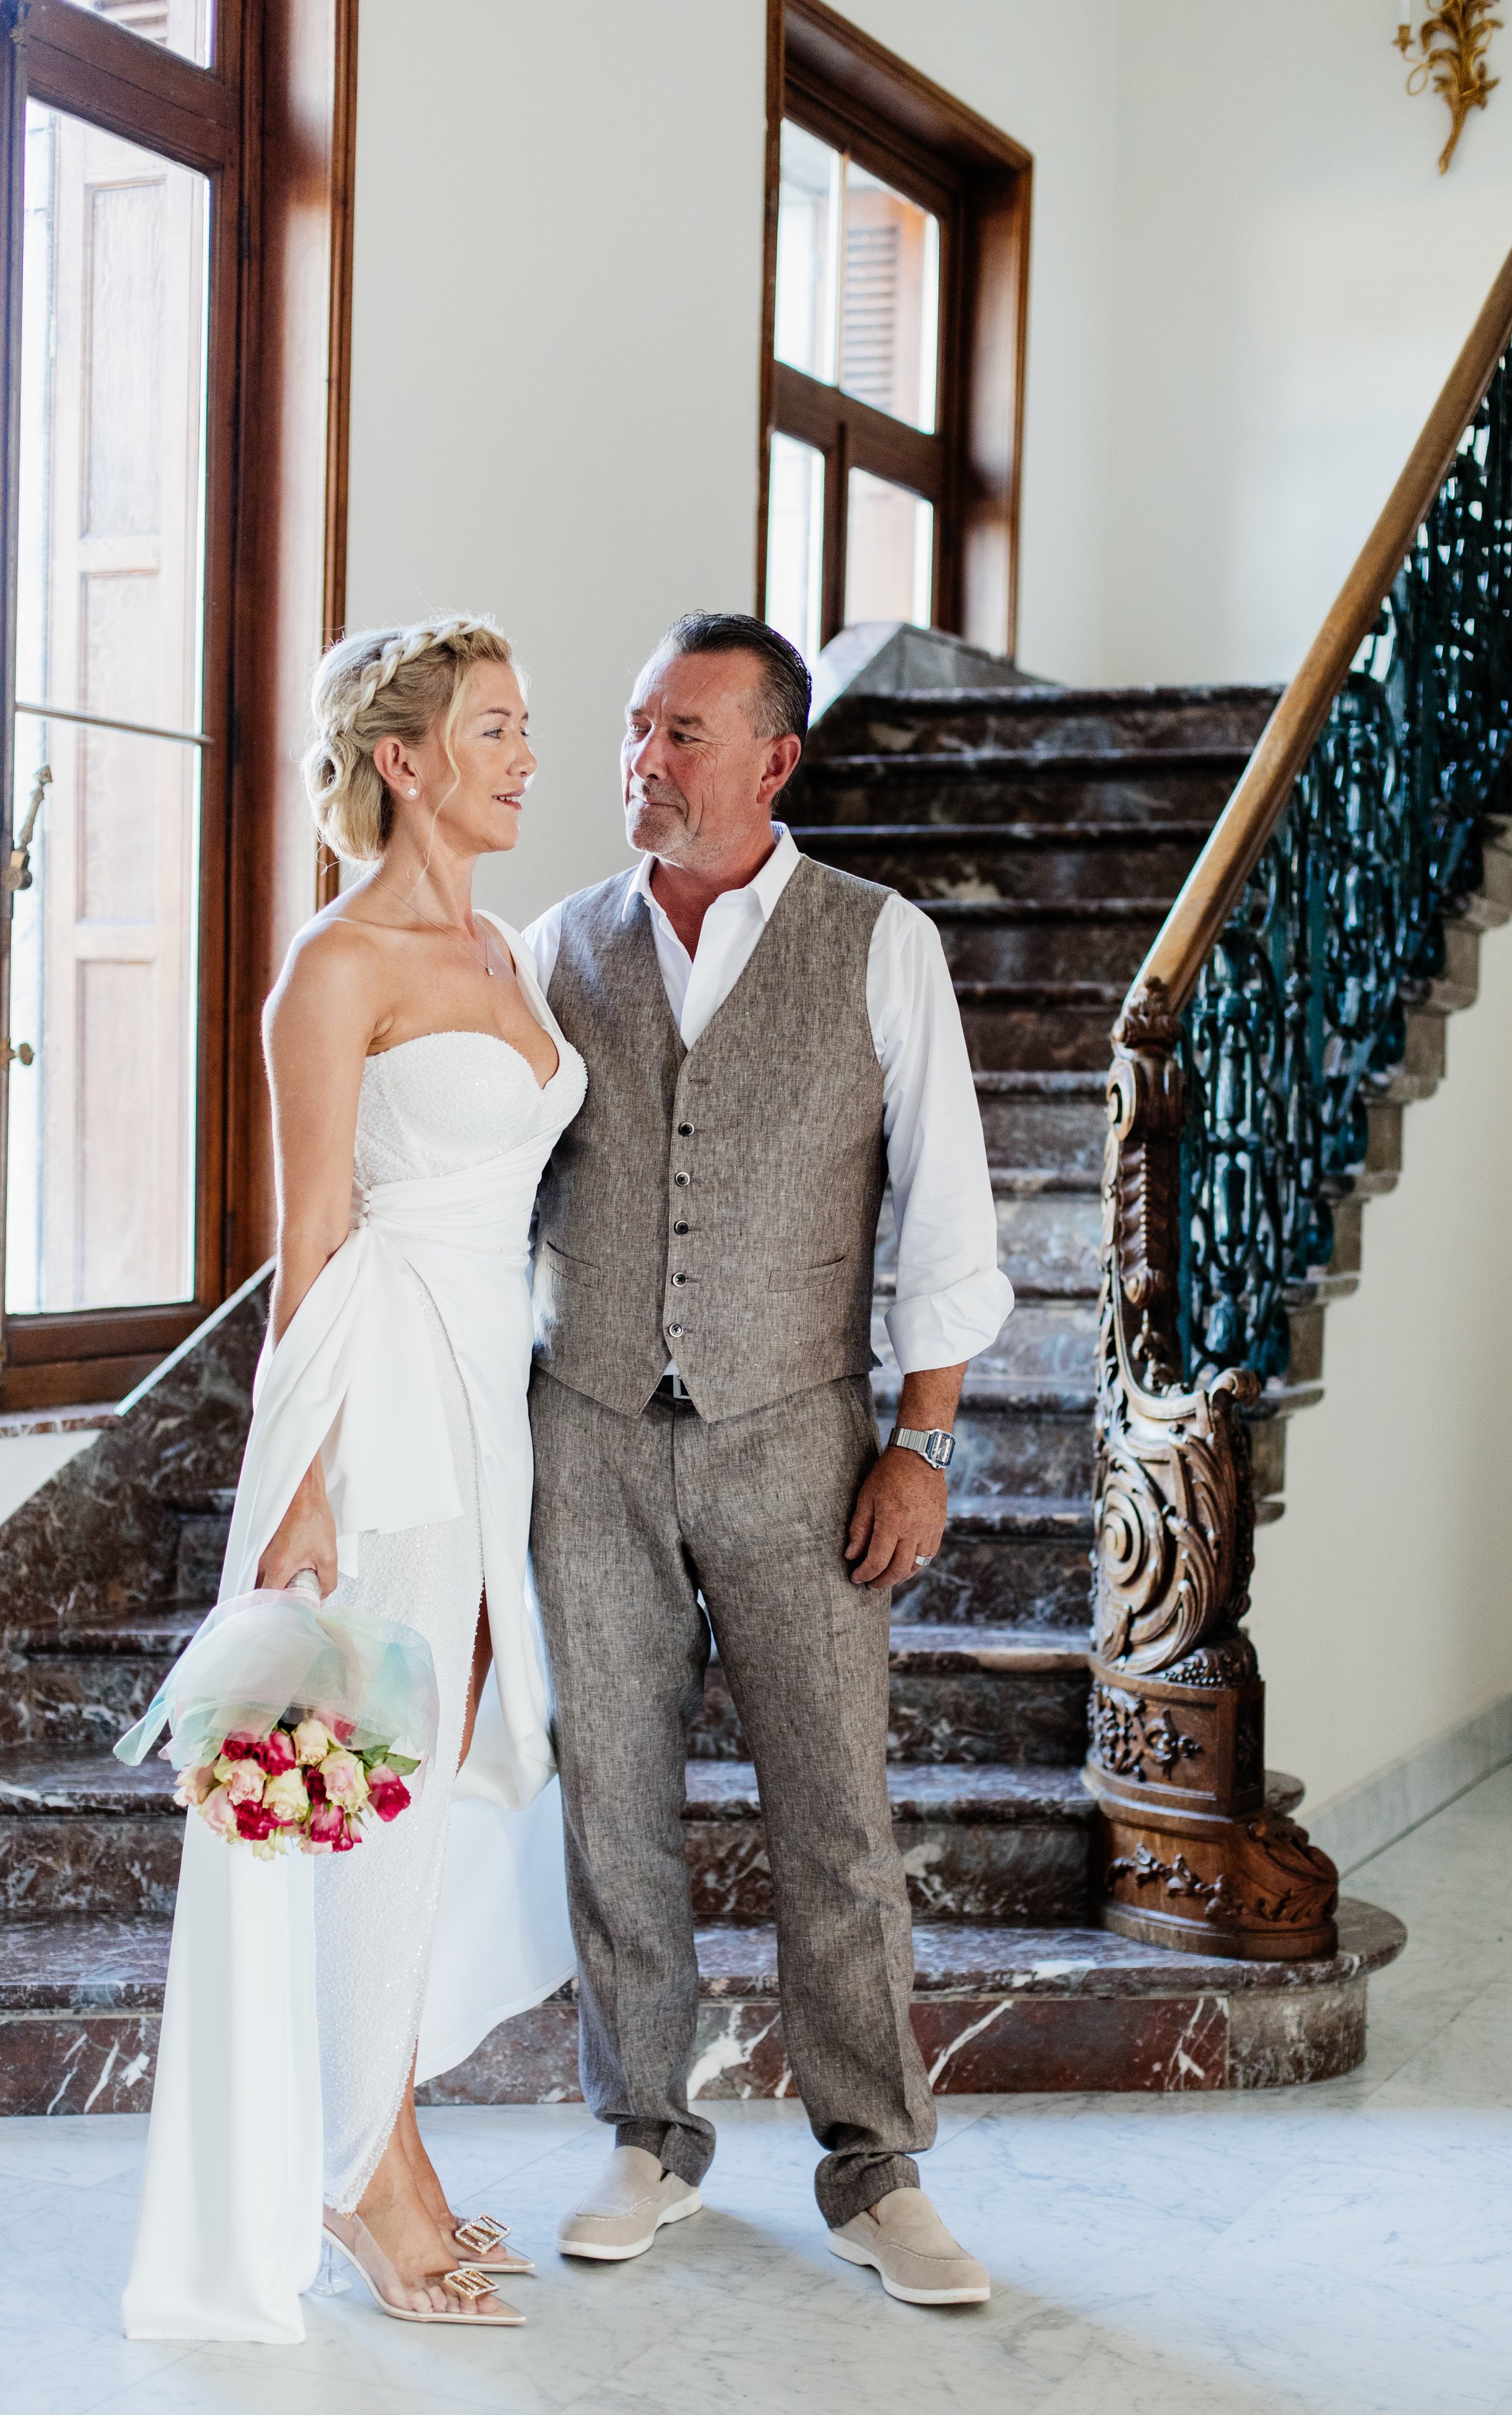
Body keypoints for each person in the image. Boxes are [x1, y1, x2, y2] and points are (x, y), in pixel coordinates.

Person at [524, 612, 1012, 2309]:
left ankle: (873, 2168)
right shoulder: (552, 947)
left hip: (799, 1436)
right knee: (613, 1809)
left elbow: (945, 1208)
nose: (642, 762)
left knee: (834, 1816)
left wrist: (920, 1440)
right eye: (635, 726)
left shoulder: (878, 945)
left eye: (681, 734)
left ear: (772, 760)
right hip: (582, 1430)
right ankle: (647, 2129)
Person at [123, 615, 581, 2343]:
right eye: (493, 729)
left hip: (491, 1397)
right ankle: (363, 2177)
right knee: (373, 1785)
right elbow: (311, 1236)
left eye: (525, 727)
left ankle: (381, 2136)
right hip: (381, 1389)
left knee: (446, 1767)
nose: (526, 757)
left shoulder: (511, 953)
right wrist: (296, 1482)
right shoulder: (335, 966)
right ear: (402, 761)